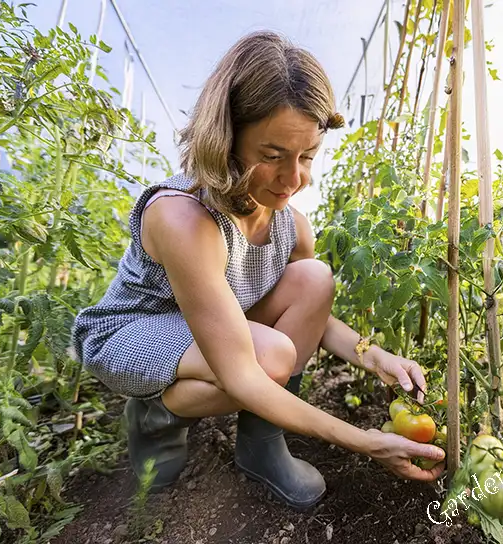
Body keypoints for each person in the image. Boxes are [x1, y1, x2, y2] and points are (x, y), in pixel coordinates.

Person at [71, 30, 445, 510]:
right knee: (269, 358)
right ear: (225, 141)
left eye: (306, 156)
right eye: (272, 157)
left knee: (315, 279)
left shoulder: (291, 225)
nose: (293, 179)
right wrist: (363, 440)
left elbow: (315, 318)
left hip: (216, 329)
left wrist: (377, 357)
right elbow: (245, 372)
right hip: (131, 332)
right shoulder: (183, 219)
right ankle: (155, 419)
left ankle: (261, 442)